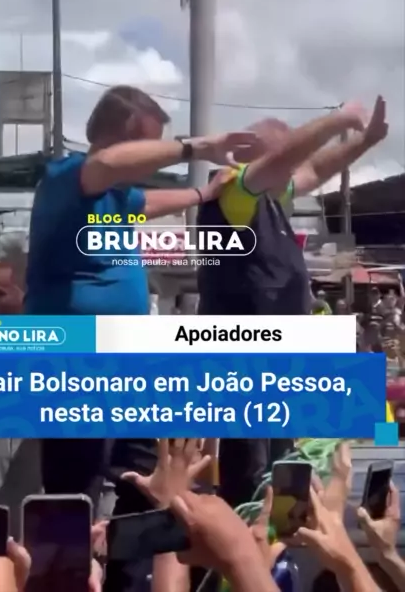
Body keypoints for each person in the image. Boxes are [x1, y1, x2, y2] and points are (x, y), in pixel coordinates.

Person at [24, 83, 260, 592]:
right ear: (120, 139)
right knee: (75, 488)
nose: (155, 156)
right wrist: (198, 147)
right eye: (149, 144)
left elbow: (147, 201)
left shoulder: (114, 198)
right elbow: (107, 164)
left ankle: (125, 578)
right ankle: (66, 578)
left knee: (146, 475)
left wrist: (201, 195)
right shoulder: (67, 178)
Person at [197, 96, 388, 508]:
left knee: (280, 469)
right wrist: (339, 120)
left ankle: (273, 541)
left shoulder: (268, 196)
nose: (292, 171)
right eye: (285, 159)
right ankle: (243, 541)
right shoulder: (234, 189)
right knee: (250, 473)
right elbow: (292, 160)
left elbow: (314, 169)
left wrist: (366, 141)